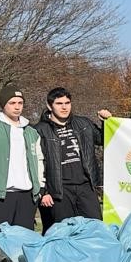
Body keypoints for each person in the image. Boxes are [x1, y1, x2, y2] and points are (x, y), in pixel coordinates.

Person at [0, 84, 45, 232]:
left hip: (26, 196)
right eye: (12, 103)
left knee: (23, 243)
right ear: (3, 105)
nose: (17, 107)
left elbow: (38, 160)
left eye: (20, 103)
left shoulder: (31, 132)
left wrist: (40, 187)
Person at [34, 87, 104, 227]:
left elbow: (103, 139)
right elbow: (36, 163)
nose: (64, 107)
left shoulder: (84, 123)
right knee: (63, 233)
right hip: (59, 190)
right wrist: (44, 191)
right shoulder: (40, 130)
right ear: (49, 106)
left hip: (85, 186)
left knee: (95, 229)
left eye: (67, 103)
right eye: (59, 103)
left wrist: (106, 122)